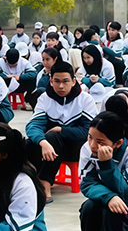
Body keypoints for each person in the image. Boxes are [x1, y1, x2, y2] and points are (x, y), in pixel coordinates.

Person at [25, 60, 97, 202]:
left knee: (53, 136)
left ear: (74, 81)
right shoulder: (45, 98)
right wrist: (42, 142)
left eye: (65, 81)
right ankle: (29, 180)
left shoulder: (85, 99)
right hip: (49, 146)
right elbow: (33, 126)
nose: (61, 86)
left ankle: (45, 183)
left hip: (76, 148)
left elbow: (88, 132)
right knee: (28, 143)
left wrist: (61, 130)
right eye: (56, 81)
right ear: (51, 81)